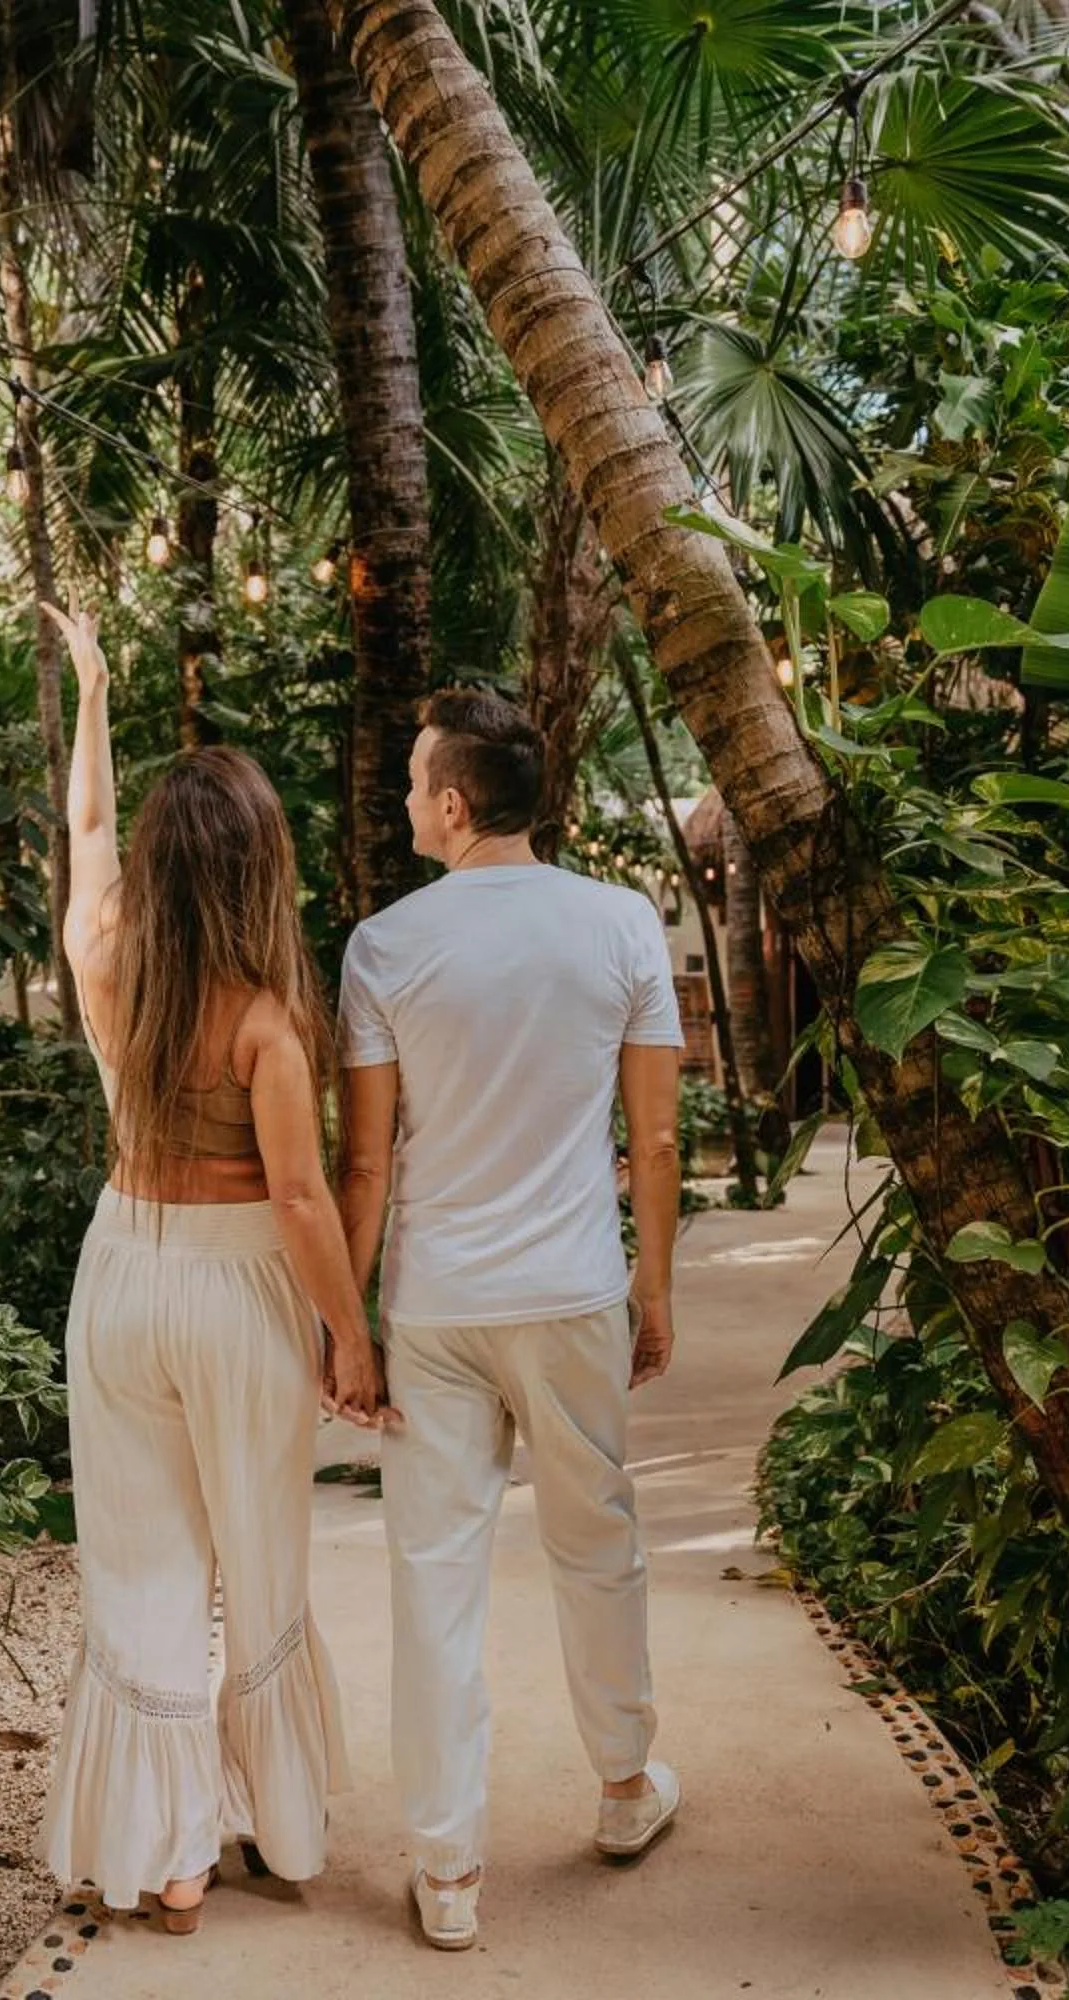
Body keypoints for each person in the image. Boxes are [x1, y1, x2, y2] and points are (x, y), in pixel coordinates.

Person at [35, 602, 388, 1935]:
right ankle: (282, 1830)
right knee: (264, 1555)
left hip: (123, 1273)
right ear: (257, 865)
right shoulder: (267, 1018)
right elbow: (300, 1195)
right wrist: (347, 1337)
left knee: (141, 1568)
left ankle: (170, 1860)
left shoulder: (105, 951)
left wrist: (95, 692)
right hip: (240, 1290)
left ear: (157, 864)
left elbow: (80, 837)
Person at [337, 688, 687, 1951]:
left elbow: (367, 1166)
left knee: (434, 1576)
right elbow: (651, 1132)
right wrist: (655, 1285)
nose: (407, 796)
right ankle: (624, 1787)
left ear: (452, 802)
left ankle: (447, 1868)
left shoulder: (384, 946)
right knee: (599, 1540)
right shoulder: (622, 922)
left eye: (417, 776)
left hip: (434, 1303)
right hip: (574, 1288)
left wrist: (349, 1322)